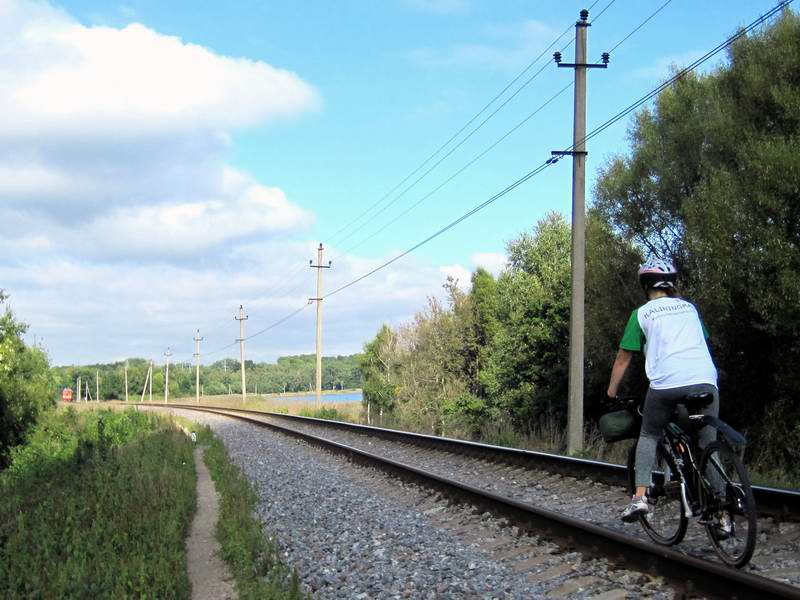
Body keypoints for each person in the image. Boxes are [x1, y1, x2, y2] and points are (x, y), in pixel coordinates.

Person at [606, 259, 721, 523]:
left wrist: (611, 391)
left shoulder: (643, 313)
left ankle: (640, 498)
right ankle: (724, 507)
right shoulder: (689, 309)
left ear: (645, 285)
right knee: (706, 442)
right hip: (705, 379)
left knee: (649, 434)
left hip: (666, 384)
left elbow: (624, 359)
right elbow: (700, 340)